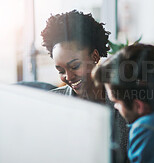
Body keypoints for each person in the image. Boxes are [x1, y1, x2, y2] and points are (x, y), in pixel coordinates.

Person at [41, 10, 129, 163]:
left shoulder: (124, 100)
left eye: (75, 66)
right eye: (61, 71)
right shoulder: (53, 103)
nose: (68, 77)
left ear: (95, 57)